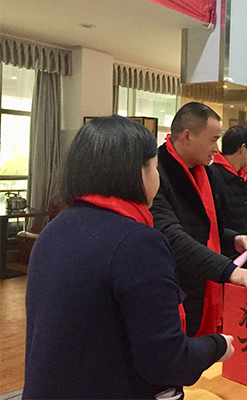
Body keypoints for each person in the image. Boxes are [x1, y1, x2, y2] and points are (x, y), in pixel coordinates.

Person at [24, 116, 234, 399]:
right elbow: (166, 361)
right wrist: (217, 345)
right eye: (155, 167)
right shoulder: (138, 242)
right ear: (139, 172)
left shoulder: (54, 230)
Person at [150, 102, 247, 338]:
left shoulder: (204, 172)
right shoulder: (156, 173)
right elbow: (171, 236)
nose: (216, 148)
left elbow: (203, 227)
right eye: (213, 140)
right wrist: (229, 270)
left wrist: (232, 239)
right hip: (174, 284)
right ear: (187, 136)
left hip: (201, 282)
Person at [208, 125, 247, 267]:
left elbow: (246, 223)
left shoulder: (245, 181)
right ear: (242, 148)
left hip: (242, 252)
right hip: (219, 255)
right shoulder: (211, 175)